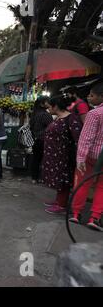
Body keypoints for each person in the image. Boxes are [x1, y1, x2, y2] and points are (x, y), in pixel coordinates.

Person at [69, 81, 103, 231]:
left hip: (91, 156)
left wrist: (80, 158)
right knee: (102, 187)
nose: (89, 98)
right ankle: (95, 218)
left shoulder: (94, 113)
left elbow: (86, 138)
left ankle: (76, 214)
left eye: (92, 95)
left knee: (82, 183)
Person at [42, 95, 81, 215]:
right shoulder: (58, 118)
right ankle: (59, 200)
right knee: (57, 177)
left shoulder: (71, 118)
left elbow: (77, 138)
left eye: (50, 107)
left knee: (63, 178)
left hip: (63, 155)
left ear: (56, 106)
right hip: (54, 155)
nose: (48, 109)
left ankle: (62, 204)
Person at [29, 96, 53, 184]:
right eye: (47, 102)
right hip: (44, 140)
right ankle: (43, 177)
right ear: (42, 104)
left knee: (36, 159)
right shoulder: (45, 115)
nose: (48, 103)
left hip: (36, 139)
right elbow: (52, 127)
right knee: (44, 159)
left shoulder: (34, 113)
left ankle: (34, 178)